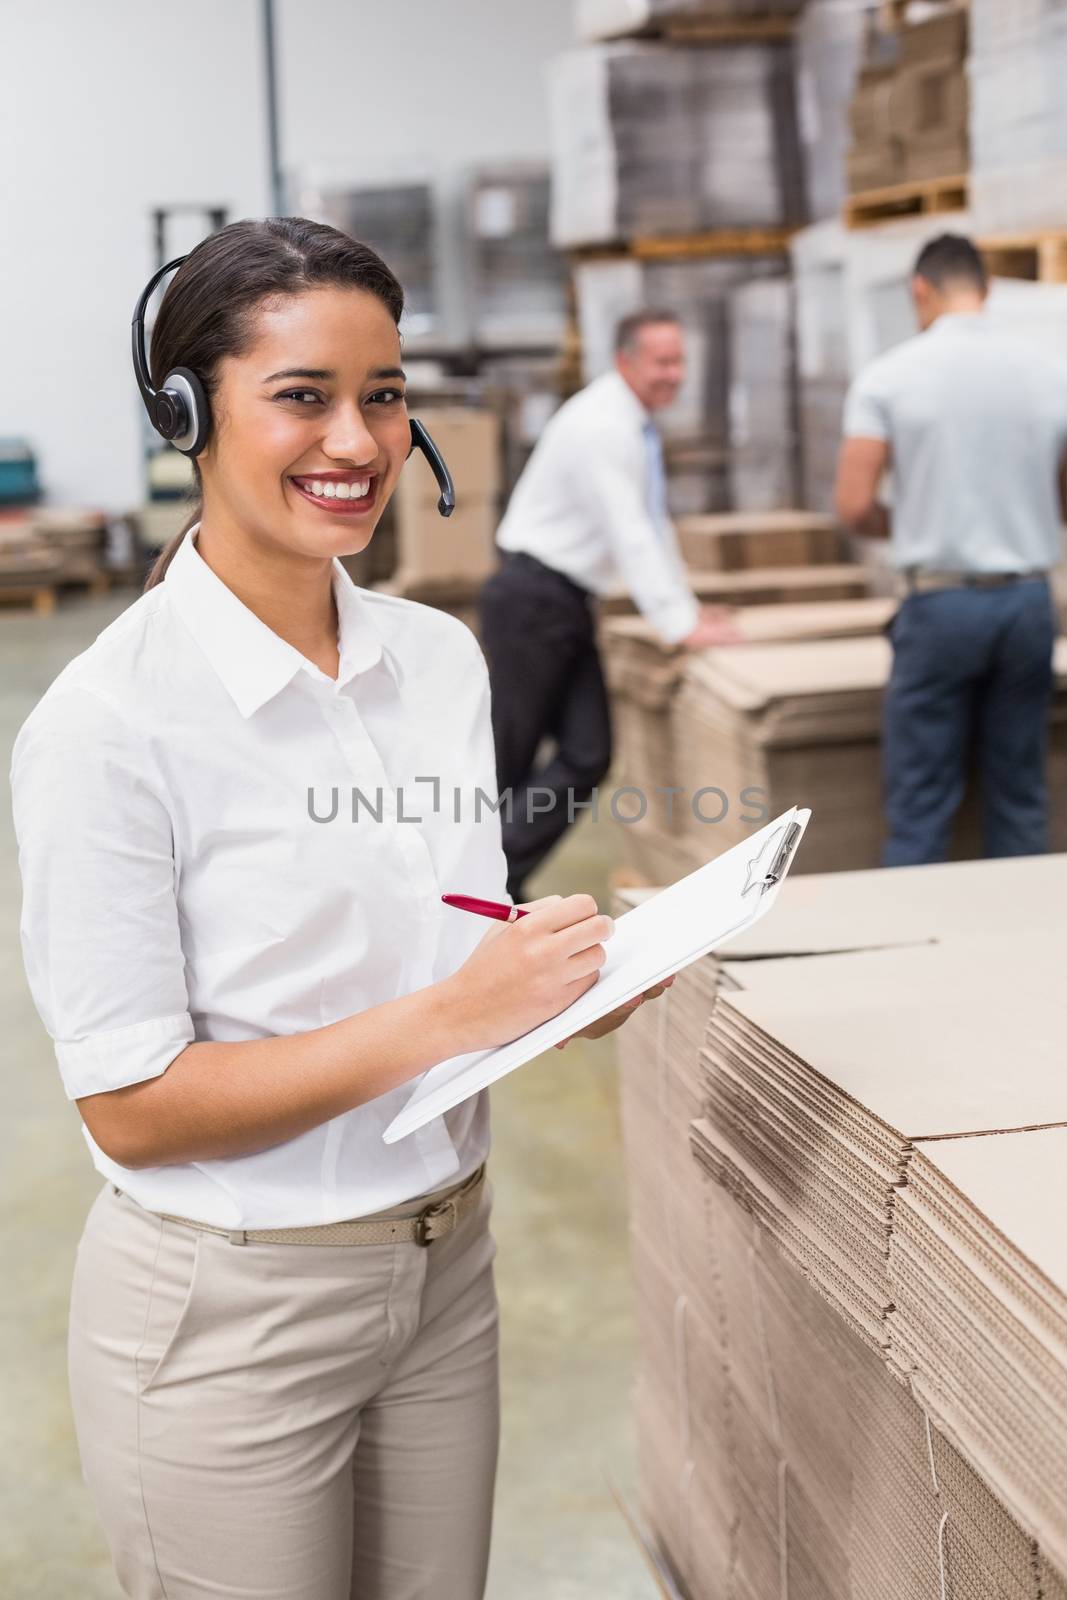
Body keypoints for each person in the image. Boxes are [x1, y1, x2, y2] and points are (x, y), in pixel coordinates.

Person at [9, 218, 671, 1600]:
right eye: (302, 397)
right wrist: (449, 1014)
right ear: (187, 413)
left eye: (382, 395)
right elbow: (130, 1101)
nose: (358, 442)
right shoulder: (110, 725)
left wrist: (559, 993)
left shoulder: (437, 659)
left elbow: (448, 949)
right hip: (230, 1310)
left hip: (445, 1265)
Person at [480, 309, 738, 901]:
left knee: (588, 752)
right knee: (508, 760)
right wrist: (676, 624)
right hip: (531, 599)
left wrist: (690, 614)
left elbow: (653, 526)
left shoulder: (632, 425)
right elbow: (631, 533)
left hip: (563, 600)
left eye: (679, 361)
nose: (673, 374)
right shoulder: (603, 426)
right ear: (626, 360)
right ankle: (479, 885)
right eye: (661, 362)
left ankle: (498, 868)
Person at [835, 232, 1067, 867]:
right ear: (986, 291)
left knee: (921, 799)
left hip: (939, 606)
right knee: (1019, 793)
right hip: (1025, 600)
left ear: (921, 290)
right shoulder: (1051, 374)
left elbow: (854, 504)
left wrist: (914, 520)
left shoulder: (889, 378)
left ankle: (915, 948)